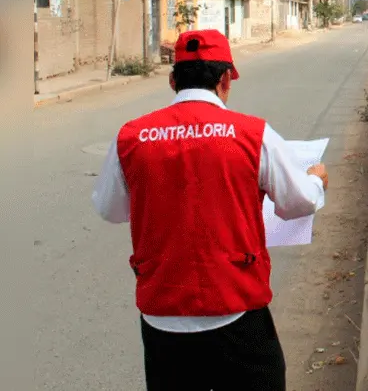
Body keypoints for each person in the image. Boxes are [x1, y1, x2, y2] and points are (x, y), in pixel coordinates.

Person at [91, 29, 329, 391]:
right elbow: (299, 202)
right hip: (236, 311)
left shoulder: (132, 136)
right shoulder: (253, 134)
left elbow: (110, 209)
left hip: (162, 319)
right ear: (224, 81)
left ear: (173, 81)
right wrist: (315, 180)